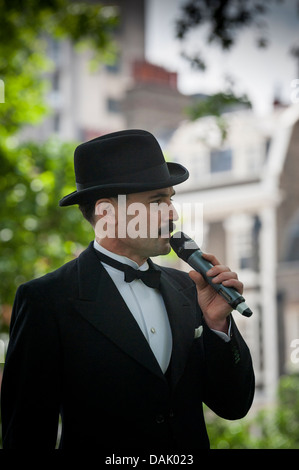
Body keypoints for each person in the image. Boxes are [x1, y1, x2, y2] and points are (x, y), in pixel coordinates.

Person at [1, 129, 254, 452]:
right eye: (157, 201)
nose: (172, 213)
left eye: (170, 199)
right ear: (106, 213)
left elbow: (234, 406)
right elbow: (26, 434)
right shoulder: (46, 301)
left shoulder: (189, 290)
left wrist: (218, 326)